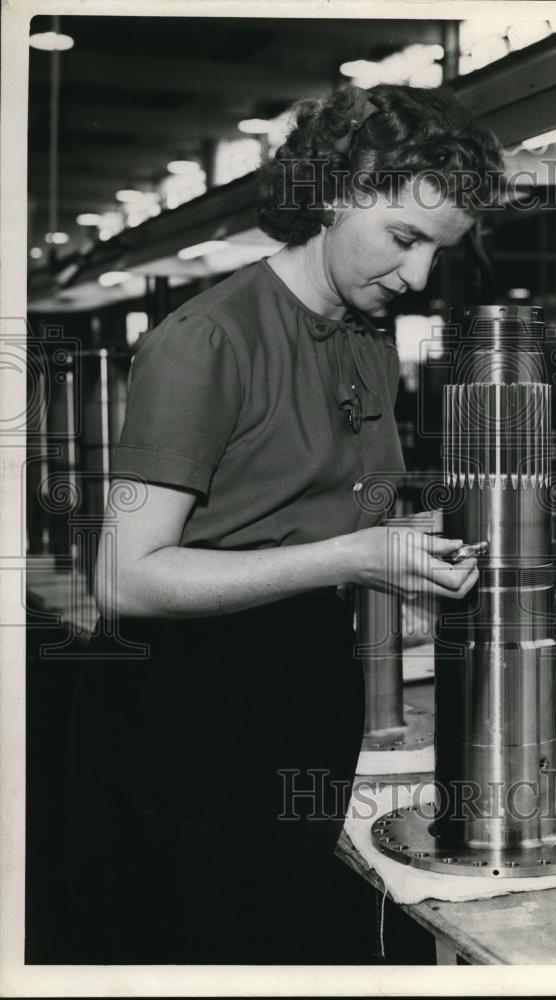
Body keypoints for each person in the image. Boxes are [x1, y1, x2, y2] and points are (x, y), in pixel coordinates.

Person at [64, 83, 503, 964]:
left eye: (436, 254)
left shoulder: (366, 340)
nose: (417, 277)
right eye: (405, 239)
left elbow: (326, 507)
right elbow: (125, 577)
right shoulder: (208, 342)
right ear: (338, 190)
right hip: (192, 718)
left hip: (306, 686)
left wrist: (429, 538)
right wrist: (349, 553)